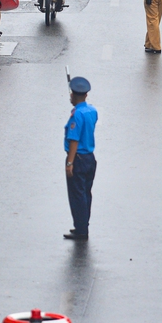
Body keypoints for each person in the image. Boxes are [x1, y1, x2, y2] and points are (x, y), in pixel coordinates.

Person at [64, 76, 98, 240]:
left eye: (71, 94)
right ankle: (83, 225)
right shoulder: (92, 111)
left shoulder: (76, 115)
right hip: (90, 159)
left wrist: (70, 163)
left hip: (78, 159)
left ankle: (81, 229)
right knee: (85, 194)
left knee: (77, 195)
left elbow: (74, 140)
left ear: (75, 96)